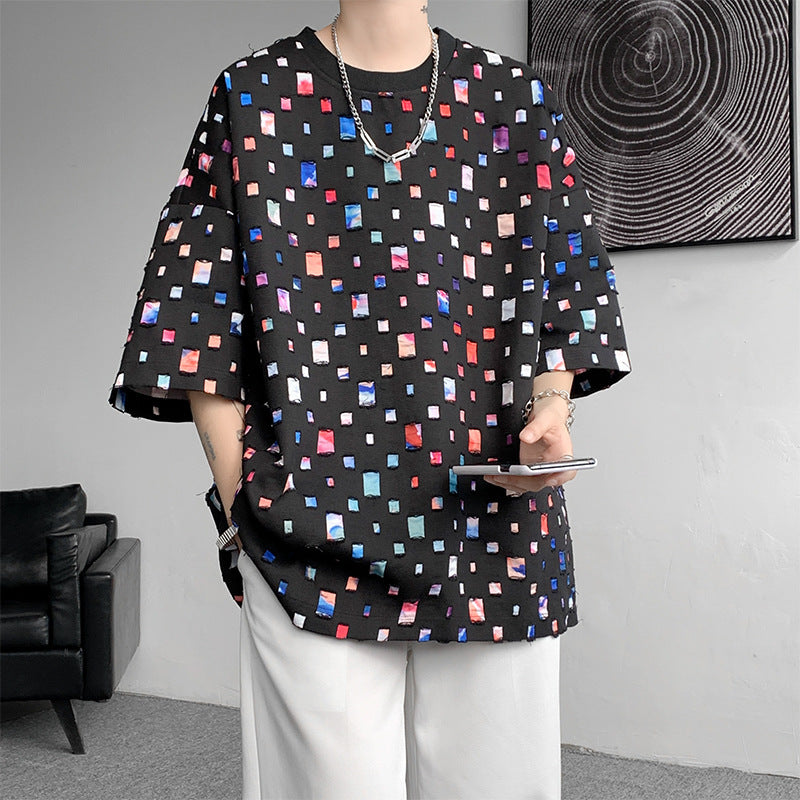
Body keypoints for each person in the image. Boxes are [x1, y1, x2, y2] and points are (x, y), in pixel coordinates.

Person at [108, 1, 631, 797]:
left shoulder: (514, 99)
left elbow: (569, 294)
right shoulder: (252, 95)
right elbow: (195, 315)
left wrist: (551, 413)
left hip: (495, 530)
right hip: (306, 532)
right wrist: (239, 498)